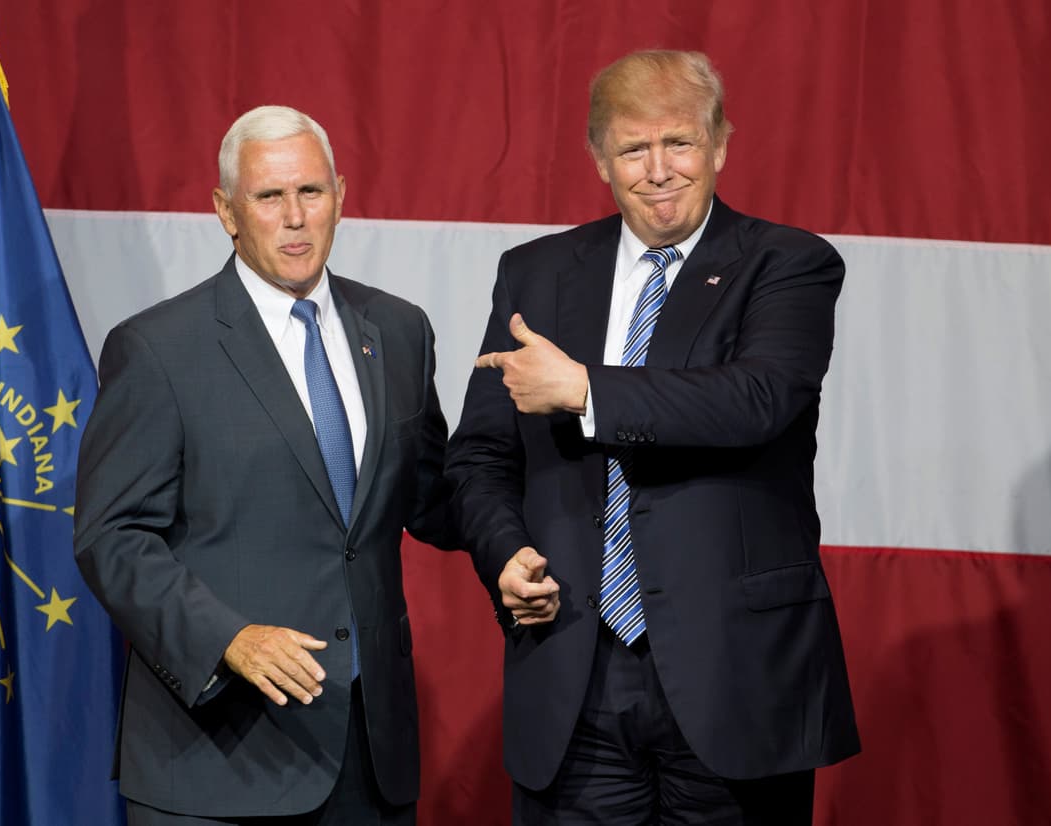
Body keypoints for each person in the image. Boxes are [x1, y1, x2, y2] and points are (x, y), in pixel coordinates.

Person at [447, 50, 860, 825]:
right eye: (634, 148)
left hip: (734, 676)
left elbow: (756, 400)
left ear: (720, 145)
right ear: (599, 157)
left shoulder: (788, 263)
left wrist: (584, 390)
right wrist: (504, 554)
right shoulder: (536, 273)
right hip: (573, 670)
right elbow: (481, 455)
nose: (659, 169)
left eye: (680, 142)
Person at [74, 105, 453, 825]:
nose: (295, 217)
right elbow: (111, 537)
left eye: (311, 191)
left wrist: (540, 478)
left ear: (340, 195)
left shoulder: (399, 329)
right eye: (269, 196)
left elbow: (434, 495)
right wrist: (227, 639)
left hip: (369, 753)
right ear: (226, 211)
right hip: (219, 756)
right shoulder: (158, 348)